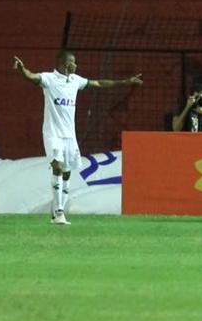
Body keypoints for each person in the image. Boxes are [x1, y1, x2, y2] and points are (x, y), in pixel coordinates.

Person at [13, 51, 141, 225]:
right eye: (73, 62)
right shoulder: (49, 79)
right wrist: (22, 69)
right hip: (53, 134)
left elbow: (98, 83)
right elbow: (32, 77)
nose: (76, 65)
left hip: (69, 136)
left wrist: (125, 82)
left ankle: (57, 210)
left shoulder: (75, 80)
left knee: (66, 174)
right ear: (65, 64)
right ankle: (59, 212)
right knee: (57, 167)